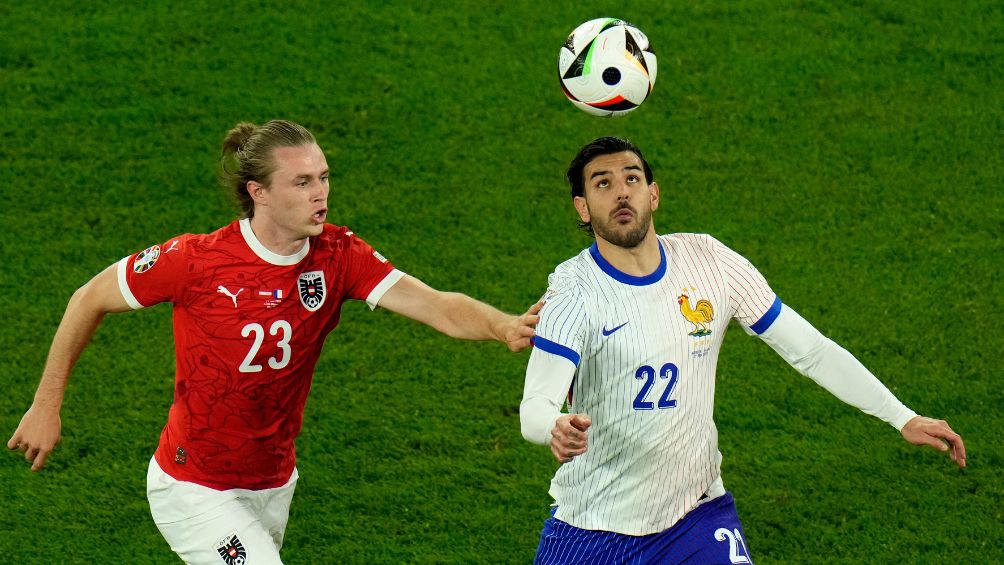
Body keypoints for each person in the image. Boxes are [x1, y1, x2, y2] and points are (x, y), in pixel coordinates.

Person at [7, 119, 540, 564]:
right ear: (259, 193)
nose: (321, 192)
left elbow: (436, 304)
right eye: (303, 181)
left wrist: (503, 325)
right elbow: (88, 296)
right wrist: (46, 403)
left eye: (324, 177)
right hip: (193, 485)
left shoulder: (338, 254)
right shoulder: (195, 260)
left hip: (273, 481)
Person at [519, 136, 966, 564]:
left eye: (632, 179)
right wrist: (553, 426)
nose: (621, 193)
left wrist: (901, 415)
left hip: (694, 515)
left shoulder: (710, 261)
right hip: (595, 528)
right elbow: (535, 406)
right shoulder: (573, 292)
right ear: (582, 207)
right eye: (603, 183)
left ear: (653, 194)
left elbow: (809, 349)